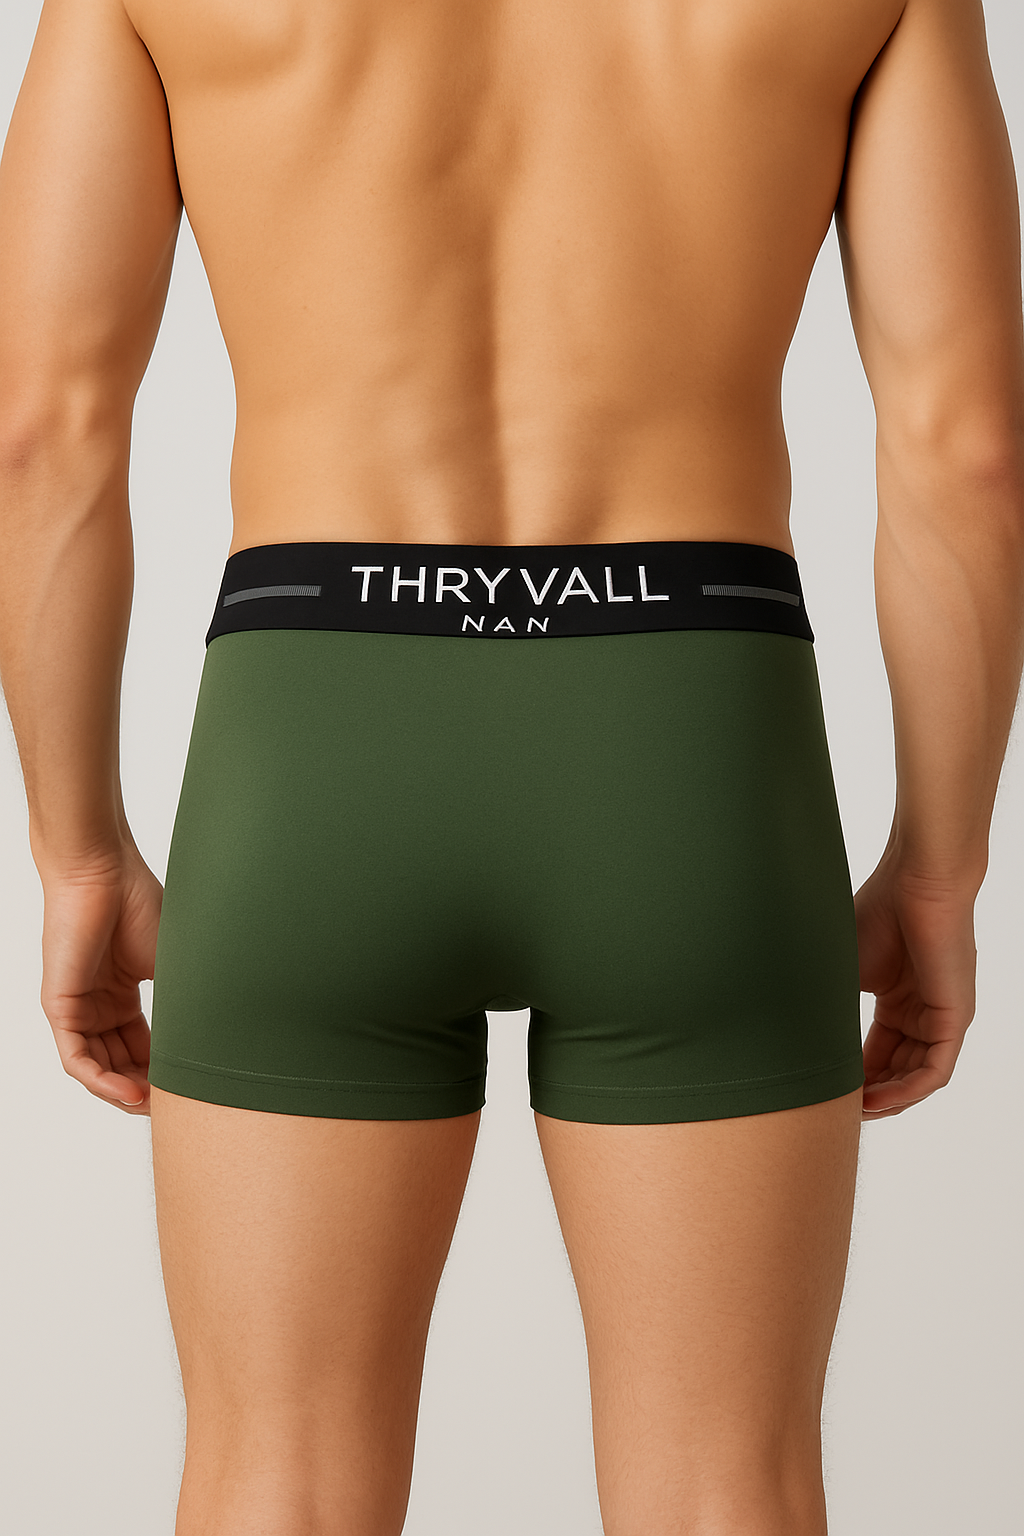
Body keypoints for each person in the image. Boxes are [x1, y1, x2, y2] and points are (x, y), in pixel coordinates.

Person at [0, 0, 1022, 1531]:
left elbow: (42, 428)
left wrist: (79, 852)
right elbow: (967, 447)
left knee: (276, 1480)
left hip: (318, 741)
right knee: (724, 1491)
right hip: (689, 743)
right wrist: (939, 866)